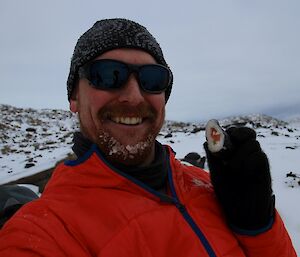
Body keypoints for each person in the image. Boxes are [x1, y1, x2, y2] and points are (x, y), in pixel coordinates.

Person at [0, 18, 296, 257]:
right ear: (74, 96)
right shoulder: (45, 231)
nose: (133, 95)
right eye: (108, 74)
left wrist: (257, 226)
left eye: (152, 79)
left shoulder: (206, 185)